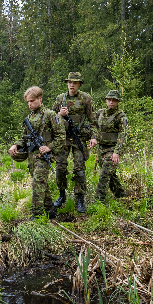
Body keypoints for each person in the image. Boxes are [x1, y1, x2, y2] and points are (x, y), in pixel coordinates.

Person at [8, 86, 65, 220]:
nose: (30, 104)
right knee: (41, 183)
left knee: (37, 183)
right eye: (28, 102)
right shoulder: (29, 118)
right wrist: (15, 145)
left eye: (32, 101)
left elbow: (61, 136)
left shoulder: (50, 115)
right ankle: (50, 211)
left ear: (40, 99)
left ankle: (37, 214)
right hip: (32, 156)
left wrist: (49, 147)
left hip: (44, 157)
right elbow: (24, 138)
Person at [51, 72, 94, 213]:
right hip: (63, 138)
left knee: (79, 169)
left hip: (79, 137)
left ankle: (80, 198)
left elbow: (92, 119)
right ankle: (61, 195)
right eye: (70, 82)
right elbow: (51, 119)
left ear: (79, 84)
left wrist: (94, 137)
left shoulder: (86, 98)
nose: (72, 85)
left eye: (75, 82)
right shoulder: (60, 99)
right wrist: (59, 114)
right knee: (60, 168)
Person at [89, 90, 129, 202]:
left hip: (113, 149)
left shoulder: (121, 116)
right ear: (106, 100)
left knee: (104, 174)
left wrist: (117, 152)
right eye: (109, 100)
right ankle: (122, 196)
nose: (111, 102)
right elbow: (93, 126)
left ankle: (98, 201)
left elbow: (123, 135)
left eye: (114, 100)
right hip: (101, 148)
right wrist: (93, 137)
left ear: (118, 101)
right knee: (110, 174)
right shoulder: (100, 113)